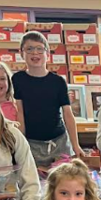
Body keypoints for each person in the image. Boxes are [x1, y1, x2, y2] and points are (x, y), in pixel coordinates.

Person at [13, 31, 84, 166]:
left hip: (59, 142)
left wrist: (76, 145)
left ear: (48, 54)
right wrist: (21, 144)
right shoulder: (17, 79)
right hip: (31, 143)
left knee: (61, 180)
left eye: (40, 49)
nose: (35, 53)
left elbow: (68, 115)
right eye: (29, 49)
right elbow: (19, 112)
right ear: (21, 53)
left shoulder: (58, 82)